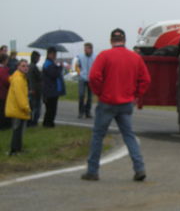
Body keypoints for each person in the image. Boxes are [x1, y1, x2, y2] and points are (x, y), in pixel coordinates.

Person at [82, 28, 151, 181]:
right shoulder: (135, 58)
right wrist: (136, 95)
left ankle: (92, 171)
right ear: (124, 41)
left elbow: (94, 76)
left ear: (111, 40)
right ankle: (139, 168)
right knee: (129, 136)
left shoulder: (104, 55)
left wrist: (99, 92)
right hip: (126, 102)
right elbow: (146, 80)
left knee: (98, 136)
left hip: (107, 101)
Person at [5, 60, 31, 155]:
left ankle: (18, 149)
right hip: (18, 108)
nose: (25, 67)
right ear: (18, 67)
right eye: (23, 66)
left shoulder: (21, 78)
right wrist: (26, 108)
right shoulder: (18, 79)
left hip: (17, 108)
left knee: (19, 130)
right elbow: (20, 96)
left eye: (27, 66)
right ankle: (14, 150)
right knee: (17, 130)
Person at [42, 46, 65, 128]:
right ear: (50, 54)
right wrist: (60, 67)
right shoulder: (48, 64)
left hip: (52, 90)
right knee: (51, 109)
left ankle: (48, 122)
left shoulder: (50, 63)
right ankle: (48, 123)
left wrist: (57, 66)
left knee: (51, 108)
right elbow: (54, 74)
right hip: (50, 90)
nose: (55, 56)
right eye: (54, 54)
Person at [74, 42, 96, 119]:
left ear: (91, 49)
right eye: (84, 49)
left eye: (87, 49)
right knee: (81, 95)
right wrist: (79, 72)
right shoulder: (80, 56)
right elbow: (77, 65)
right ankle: (81, 112)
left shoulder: (95, 57)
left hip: (91, 79)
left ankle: (88, 112)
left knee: (90, 97)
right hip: (82, 78)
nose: (85, 50)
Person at [27, 51, 43, 127]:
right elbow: (39, 77)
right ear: (36, 58)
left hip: (30, 89)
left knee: (31, 106)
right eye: (38, 58)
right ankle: (34, 122)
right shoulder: (34, 67)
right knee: (36, 107)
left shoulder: (29, 66)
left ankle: (29, 121)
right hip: (36, 89)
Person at [0, 53, 11, 130]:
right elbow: (6, 81)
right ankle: (3, 125)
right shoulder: (3, 70)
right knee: (3, 110)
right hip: (3, 93)